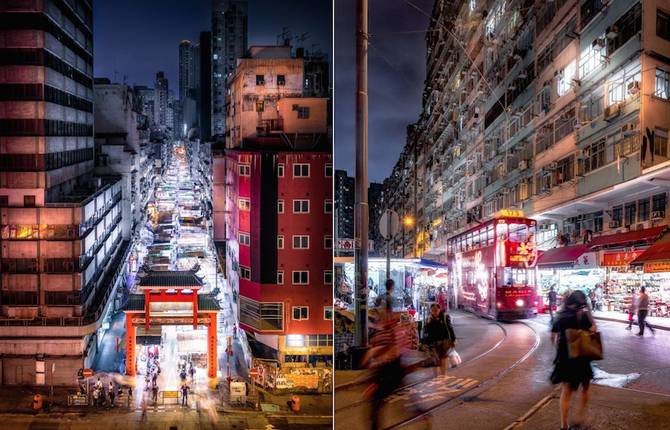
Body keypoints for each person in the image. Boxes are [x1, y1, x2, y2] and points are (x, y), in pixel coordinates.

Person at [550, 291, 596, 430]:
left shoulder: (560, 316)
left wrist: (560, 347)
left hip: (565, 358)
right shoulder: (585, 316)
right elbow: (593, 331)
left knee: (566, 391)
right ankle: (580, 417)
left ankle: (564, 425)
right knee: (586, 387)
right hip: (582, 356)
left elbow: (553, 337)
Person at [422, 303, 456, 376]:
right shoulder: (428, 319)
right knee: (435, 360)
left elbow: (450, 329)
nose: (434, 312)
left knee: (443, 359)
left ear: (439, 310)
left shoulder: (445, 317)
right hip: (433, 343)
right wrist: (428, 323)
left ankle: (443, 375)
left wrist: (453, 340)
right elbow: (426, 332)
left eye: (436, 310)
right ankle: (436, 376)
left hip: (444, 342)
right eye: (432, 310)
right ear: (430, 311)